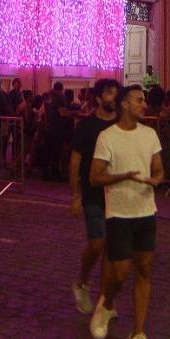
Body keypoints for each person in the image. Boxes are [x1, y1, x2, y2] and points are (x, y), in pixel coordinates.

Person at [88, 85, 164, 339]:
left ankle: (138, 335)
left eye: (144, 100)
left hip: (146, 210)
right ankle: (106, 304)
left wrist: (156, 179)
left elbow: (158, 168)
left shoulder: (150, 135)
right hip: (119, 212)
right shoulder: (107, 137)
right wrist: (121, 176)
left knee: (144, 269)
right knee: (119, 274)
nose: (144, 104)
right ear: (124, 105)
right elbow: (95, 177)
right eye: (138, 100)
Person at [69, 79, 121, 314]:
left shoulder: (122, 125)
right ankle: (81, 282)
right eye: (109, 93)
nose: (114, 97)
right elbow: (75, 160)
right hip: (92, 193)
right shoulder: (87, 126)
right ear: (99, 98)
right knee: (97, 244)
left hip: (117, 194)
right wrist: (74, 195)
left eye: (116, 93)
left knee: (111, 248)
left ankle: (104, 300)